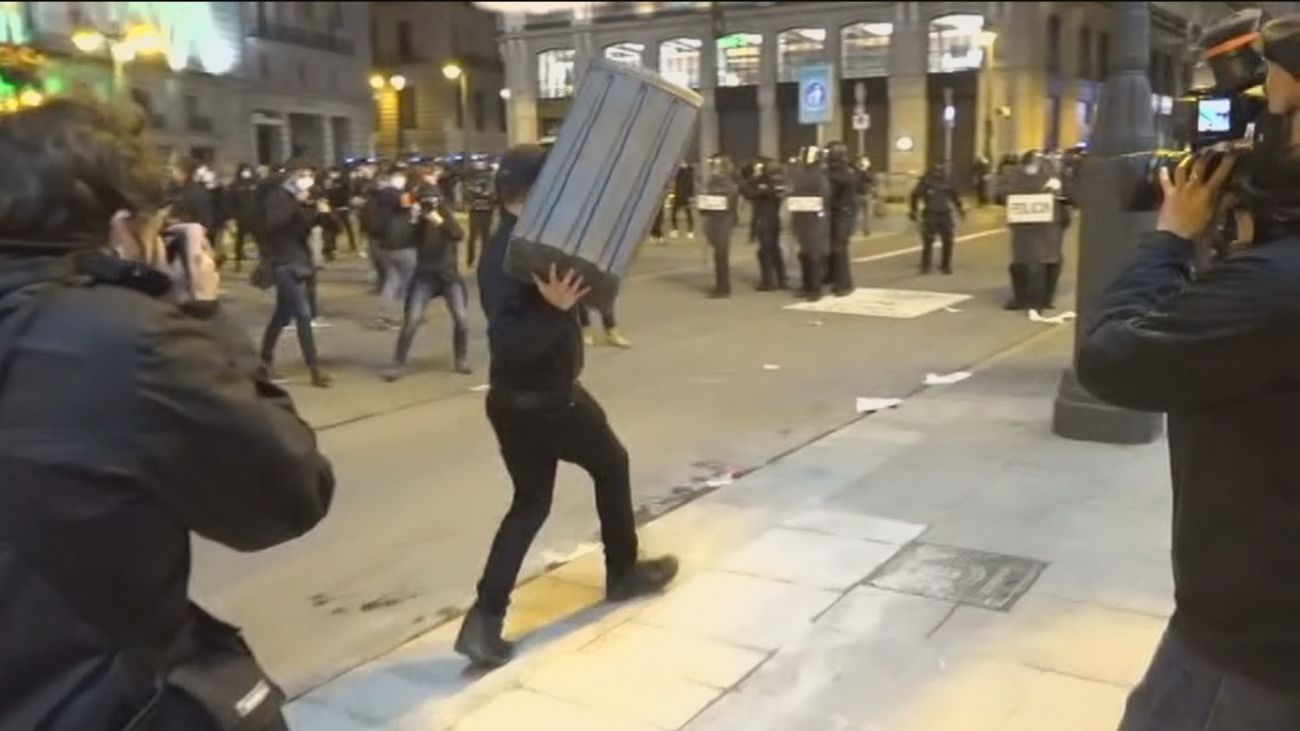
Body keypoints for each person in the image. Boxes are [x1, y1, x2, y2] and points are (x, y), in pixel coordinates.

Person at [0, 98, 333, 731]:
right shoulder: (130, 341)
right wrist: (202, 317)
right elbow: (289, 493)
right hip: (103, 701)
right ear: (125, 231)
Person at [1079, 14, 1300, 729]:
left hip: (1244, 661)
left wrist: (1171, 240)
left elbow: (1112, 358)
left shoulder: (1278, 287)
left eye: (1275, 109)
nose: (1263, 132)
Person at [458, 146, 678, 668]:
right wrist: (557, 310)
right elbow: (510, 342)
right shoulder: (512, 256)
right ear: (536, 192)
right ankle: (622, 573)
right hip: (547, 400)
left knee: (531, 504)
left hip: (513, 400)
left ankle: (484, 621)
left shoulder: (520, 242)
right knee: (611, 463)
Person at [383, 165, 471, 380]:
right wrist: (413, 219)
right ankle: (397, 363)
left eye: (433, 200)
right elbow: (401, 239)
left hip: (449, 275)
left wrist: (439, 220)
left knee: (461, 318)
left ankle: (461, 358)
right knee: (412, 320)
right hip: (425, 276)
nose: (429, 205)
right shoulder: (417, 219)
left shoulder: (443, 214)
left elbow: (458, 234)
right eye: (426, 201)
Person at [258, 160, 332, 387]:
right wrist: (297, 204)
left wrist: (321, 213)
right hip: (283, 262)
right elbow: (273, 224)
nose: (307, 179)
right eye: (302, 174)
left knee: (281, 316)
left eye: (310, 175)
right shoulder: (279, 197)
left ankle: (264, 361)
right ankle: (314, 369)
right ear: (291, 176)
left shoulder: (300, 199)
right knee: (303, 314)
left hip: (299, 262)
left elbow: (309, 226)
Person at [1003, 150, 1066, 310]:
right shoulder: (1014, 176)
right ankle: (1025, 299)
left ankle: (1042, 299)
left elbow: (1070, 197)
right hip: (1025, 228)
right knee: (1022, 264)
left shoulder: (1053, 177)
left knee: (1047, 262)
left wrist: (1059, 191)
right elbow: (1000, 194)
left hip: (1046, 228)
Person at [370, 167, 417, 328]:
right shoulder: (402, 196)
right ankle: (408, 314)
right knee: (409, 281)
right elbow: (413, 209)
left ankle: (384, 315)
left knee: (392, 280)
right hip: (403, 244)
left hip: (385, 245)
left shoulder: (379, 197)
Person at [788, 145, 831, 302]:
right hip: (801, 218)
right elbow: (792, 192)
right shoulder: (800, 174)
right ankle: (806, 286)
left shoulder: (820, 176)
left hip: (814, 219)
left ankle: (815, 288)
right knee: (804, 254)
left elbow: (824, 196)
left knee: (813, 254)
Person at [909, 163, 964, 274]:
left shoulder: (946, 181)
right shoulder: (926, 182)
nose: (937, 173)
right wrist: (913, 211)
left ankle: (946, 265)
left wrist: (960, 209)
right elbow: (914, 195)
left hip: (945, 214)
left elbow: (955, 196)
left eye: (939, 171)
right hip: (931, 213)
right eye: (935, 171)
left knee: (948, 240)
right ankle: (926, 265)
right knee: (928, 240)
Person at [700, 153, 740, 298]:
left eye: (718, 165)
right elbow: (705, 200)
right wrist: (704, 204)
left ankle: (723, 287)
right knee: (718, 254)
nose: (715, 167)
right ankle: (720, 285)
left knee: (721, 253)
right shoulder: (712, 181)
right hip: (713, 219)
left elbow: (729, 200)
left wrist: (712, 200)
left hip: (723, 219)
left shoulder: (729, 182)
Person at [745, 157, 788, 291]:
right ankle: (781, 279)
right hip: (771, 219)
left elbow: (752, 193)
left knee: (766, 251)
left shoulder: (769, 181)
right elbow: (750, 193)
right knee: (774, 250)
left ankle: (768, 281)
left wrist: (762, 189)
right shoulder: (776, 181)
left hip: (765, 219)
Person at [825, 141, 858, 295]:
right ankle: (831, 277)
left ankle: (844, 284)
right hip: (835, 212)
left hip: (843, 213)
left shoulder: (843, 173)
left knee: (839, 248)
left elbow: (830, 190)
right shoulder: (834, 171)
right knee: (831, 246)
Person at [463, 156, 496, 267]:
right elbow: (491, 194)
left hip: (478, 210)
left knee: (476, 237)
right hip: (483, 210)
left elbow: (468, 194)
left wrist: (476, 197)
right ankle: (481, 259)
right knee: (482, 237)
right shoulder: (488, 179)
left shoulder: (472, 180)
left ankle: (473, 260)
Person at [228, 163, 260, 272]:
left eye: (247, 170)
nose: (246, 172)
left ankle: (263, 262)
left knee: (259, 239)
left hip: (254, 216)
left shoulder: (256, 183)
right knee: (239, 240)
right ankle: (237, 263)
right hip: (240, 217)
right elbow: (230, 202)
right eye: (244, 170)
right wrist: (231, 216)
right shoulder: (235, 185)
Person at [323, 167, 357, 260]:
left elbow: (347, 192)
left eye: (334, 173)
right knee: (334, 227)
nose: (333, 175)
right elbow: (327, 194)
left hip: (343, 207)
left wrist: (347, 204)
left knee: (348, 227)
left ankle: (352, 244)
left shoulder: (343, 182)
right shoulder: (329, 183)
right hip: (333, 208)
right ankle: (333, 246)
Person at [671, 161, 695, 239]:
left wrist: (691, 196)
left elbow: (691, 185)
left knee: (688, 214)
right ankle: (675, 229)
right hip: (678, 195)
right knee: (674, 213)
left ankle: (690, 230)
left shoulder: (688, 173)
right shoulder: (678, 172)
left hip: (684, 196)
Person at [857, 155, 876, 237]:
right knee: (856, 213)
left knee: (867, 214)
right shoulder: (856, 171)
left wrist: (864, 171)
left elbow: (871, 179)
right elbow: (855, 179)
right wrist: (861, 170)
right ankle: (854, 229)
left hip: (867, 194)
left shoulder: (870, 171)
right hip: (857, 194)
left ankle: (866, 229)